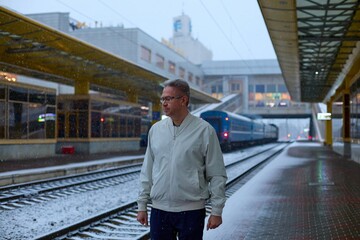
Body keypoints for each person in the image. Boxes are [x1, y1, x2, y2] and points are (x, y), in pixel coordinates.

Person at [137, 79, 227, 240]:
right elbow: (148, 170)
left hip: (191, 210)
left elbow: (217, 174)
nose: (163, 103)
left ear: (183, 100)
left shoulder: (204, 131)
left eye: (168, 99)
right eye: (162, 99)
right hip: (160, 210)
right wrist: (142, 205)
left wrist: (216, 211)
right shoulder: (156, 130)